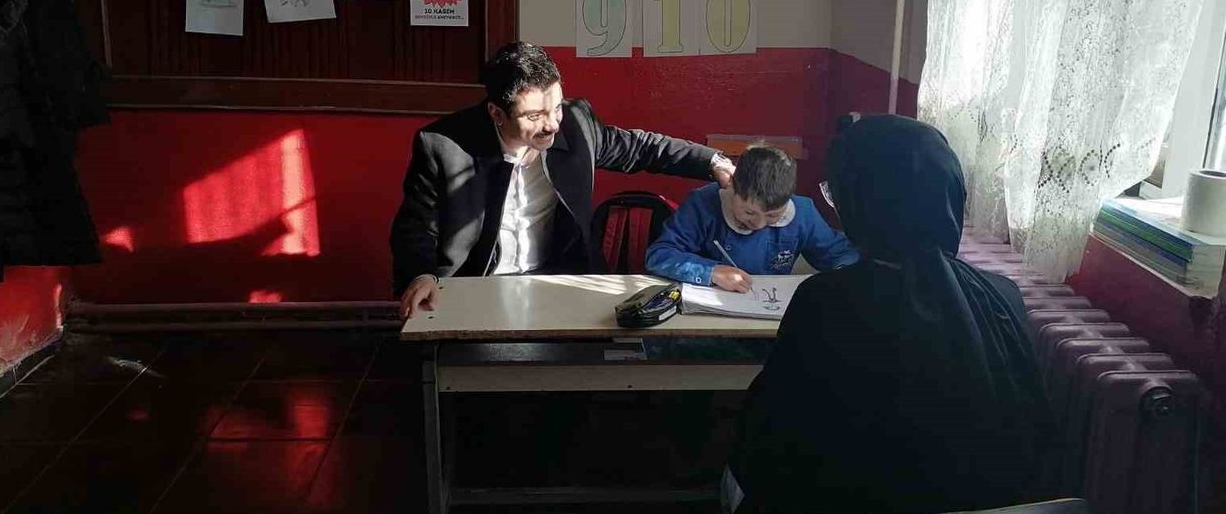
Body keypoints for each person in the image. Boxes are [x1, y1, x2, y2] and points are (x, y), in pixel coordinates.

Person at [725, 116, 1057, 514]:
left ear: (861, 204)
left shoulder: (823, 300)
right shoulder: (1003, 294)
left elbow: (764, 441)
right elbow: (1032, 441)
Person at [392, 43, 735, 318]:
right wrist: (421, 274)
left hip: (559, 277)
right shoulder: (443, 145)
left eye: (555, 107)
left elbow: (641, 148)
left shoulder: (574, 123)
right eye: (534, 115)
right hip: (477, 285)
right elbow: (417, 225)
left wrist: (713, 162)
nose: (552, 124)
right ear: (496, 113)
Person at [645, 145, 858, 291]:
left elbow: (841, 253)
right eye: (748, 212)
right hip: (710, 313)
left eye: (773, 215)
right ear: (731, 187)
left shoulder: (802, 212)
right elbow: (660, 255)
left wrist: (843, 275)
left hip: (769, 314)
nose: (759, 224)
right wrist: (711, 272)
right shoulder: (702, 204)